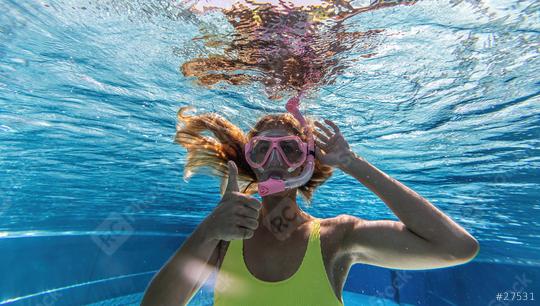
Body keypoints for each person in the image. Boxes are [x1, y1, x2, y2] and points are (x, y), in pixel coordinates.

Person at [141, 105, 479, 306]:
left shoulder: (337, 237)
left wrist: (353, 163)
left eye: (289, 149)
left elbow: (456, 247)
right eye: (262, 149)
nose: (275, 160)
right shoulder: (224, 236)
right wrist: (208, 230)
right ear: (251, 160)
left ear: (307, 162)